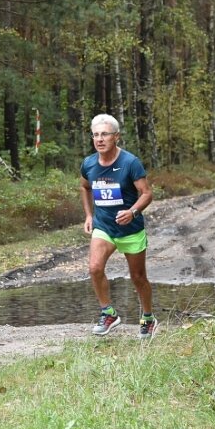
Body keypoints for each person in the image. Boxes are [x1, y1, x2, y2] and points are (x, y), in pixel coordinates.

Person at [79, 114, 156, 338]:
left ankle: (148, 317)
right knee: (94, 267)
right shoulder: (89, 164)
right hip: (104, 226)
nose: (99, 139)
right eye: (95, 135)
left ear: (116, 137)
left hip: (130, 229)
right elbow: (84, 187)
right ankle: (108, 313)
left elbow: (147, 193)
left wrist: (133, 212)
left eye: (104, 134)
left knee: (138, 277)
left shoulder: (130, 163)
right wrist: (88, 215)